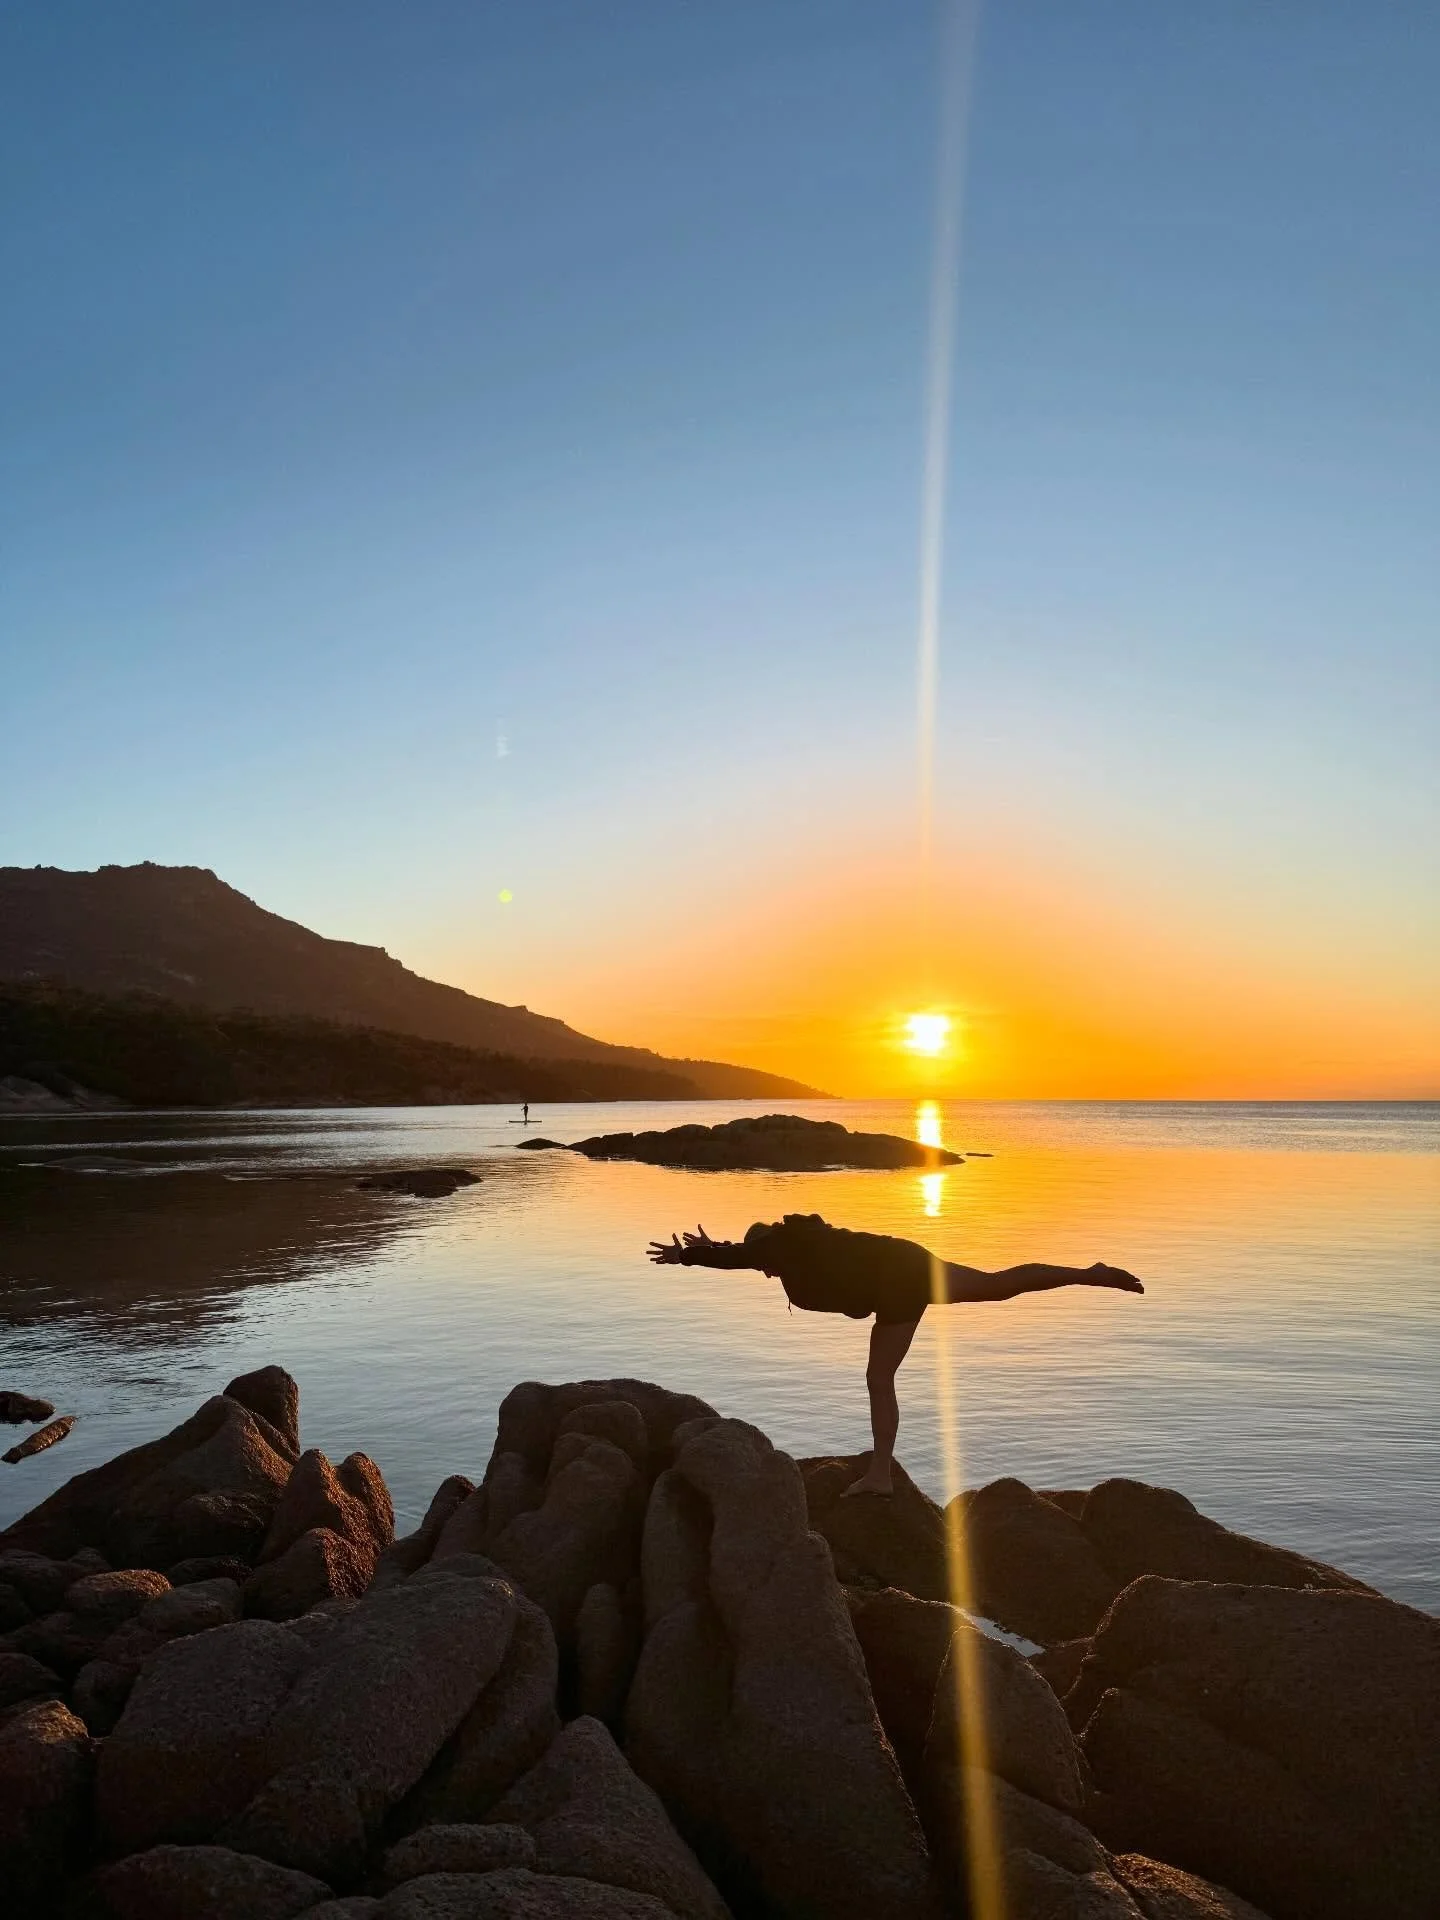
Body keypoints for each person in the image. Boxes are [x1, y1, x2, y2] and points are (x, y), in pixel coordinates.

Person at [647, 1214, 1143, 1497]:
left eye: (764, 1267)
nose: (767, 1275)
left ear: (766, 1253)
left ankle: (881, 1475)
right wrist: (713, 1249)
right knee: (996, 1287)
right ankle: (1088, 1272)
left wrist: (687, 1255)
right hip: (903, 1262)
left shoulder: (781, 1248)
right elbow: (740, 1253)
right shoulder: (792, 1244)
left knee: (879, 1379)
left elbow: (739, 1255)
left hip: (899, 1280)